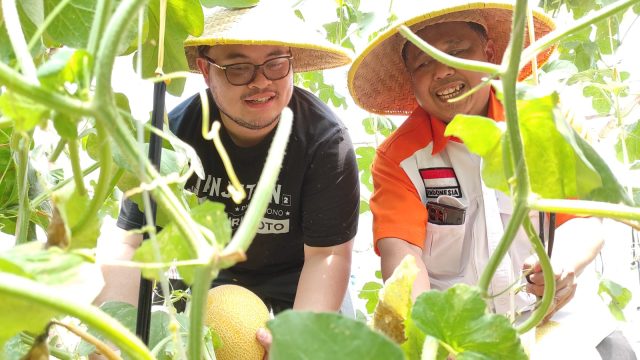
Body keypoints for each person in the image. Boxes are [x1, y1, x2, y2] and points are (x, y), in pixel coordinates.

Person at [348, 1, 636, 359]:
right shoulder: (399, 157)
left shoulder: (545, 117)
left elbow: (584, 220)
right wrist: (437, 338)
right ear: (410, 78)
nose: (442, 71)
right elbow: (403, 260)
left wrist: (562, 268)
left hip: (559, 318)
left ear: (488, 54)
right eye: (423, 63)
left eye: (457, 52)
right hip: (461, 339)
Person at [96, 0, 358, 337]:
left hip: (301, 283)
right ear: (206, 71)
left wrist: (296, 335)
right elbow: (129, 244)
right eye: (239, 68)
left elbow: (326, 256)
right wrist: (113, 334)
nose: (261, 82)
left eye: (275, 64)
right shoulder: (171, 137)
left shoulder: (326, 142)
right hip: (211, 286)